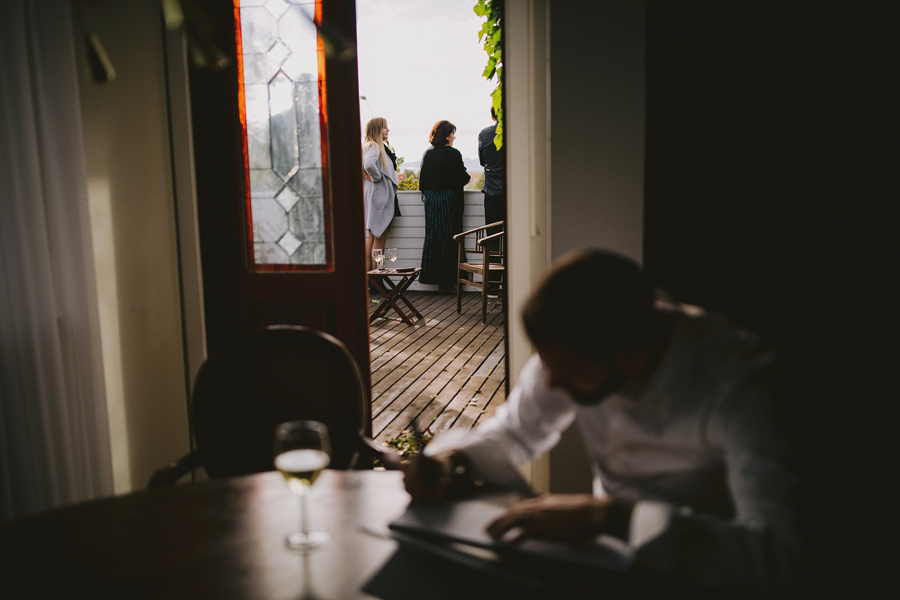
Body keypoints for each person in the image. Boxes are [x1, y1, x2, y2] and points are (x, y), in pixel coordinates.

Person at [403, 249, 800, 593]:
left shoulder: (741, 385)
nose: (550, 382)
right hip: (604, 564)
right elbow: (514, 432)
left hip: (703, 577)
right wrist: (452, 459)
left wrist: (612, 517)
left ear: (630, 358)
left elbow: (777, 556)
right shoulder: (576, 347)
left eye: (564, 372)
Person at [418, 120, 471, 294]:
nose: (454, 137)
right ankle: (454, 280)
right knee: (451, 240)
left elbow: (423, 182)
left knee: (434, 239)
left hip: (432, 202)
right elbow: (462, 177)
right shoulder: (453, 154)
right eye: (453, 133)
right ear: (448, 135)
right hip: (449, 200)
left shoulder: (428, 154)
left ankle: (440, 281)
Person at [362, 118, 399, 272]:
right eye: (385, 128)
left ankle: (369, 277)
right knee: (379, 238)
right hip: (379, 197)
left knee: (372, 237)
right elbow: (369, 165)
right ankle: (378, 277)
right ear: (377, 130)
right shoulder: (374, 146)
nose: (388, 130)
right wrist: (377, 178)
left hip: (374, 196)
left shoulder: (370, 146)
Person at [477, 107, 505, 255]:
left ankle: (493, 275)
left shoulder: (484, 134)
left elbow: (482, 161)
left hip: (492, 191)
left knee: (493, 237)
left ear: (493, 117)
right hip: (512, 193)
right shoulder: (515, 131)